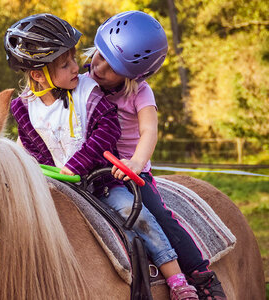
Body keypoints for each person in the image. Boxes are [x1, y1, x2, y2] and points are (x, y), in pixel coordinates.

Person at [5, 13, 198, 300]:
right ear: (37, 74)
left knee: (141, 217)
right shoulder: (23, 108)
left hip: (102, 179)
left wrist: (76, 166)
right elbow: (33, 146)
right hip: (59, 183)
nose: (80, 67)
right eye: (66, 63)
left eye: (74, 59)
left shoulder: (88, 90)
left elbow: (108, 130)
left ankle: (179, 279)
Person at [86, 10, 227, 300]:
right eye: (99, 55)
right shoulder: (83, 82)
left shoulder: (141, 93)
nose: (98, 67)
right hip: (91, 167)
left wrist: (136, 164)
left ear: (133, 75)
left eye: (111, 67)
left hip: (130, 171)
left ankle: (201, 276)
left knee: (158, 216)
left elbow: (149, 130)